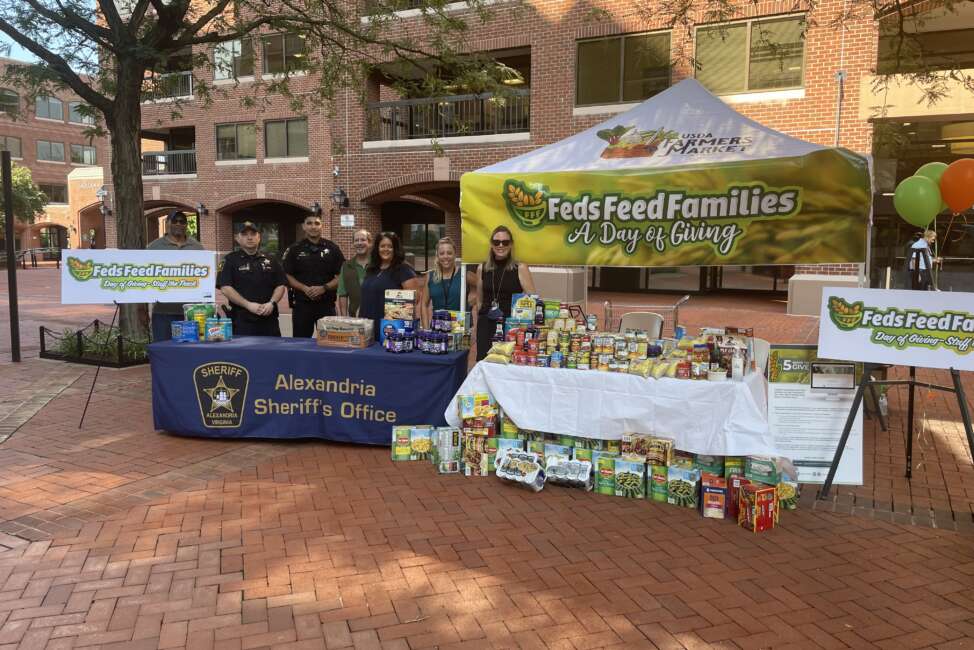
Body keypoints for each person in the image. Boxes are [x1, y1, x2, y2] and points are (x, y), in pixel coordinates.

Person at [474, 225, 536, 361]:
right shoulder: (482, 268)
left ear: (511, 245)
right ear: (491, 245)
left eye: (505, 242)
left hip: (510, 326)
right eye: (496, 242)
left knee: (507, 365)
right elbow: (479, 301)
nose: (500, 245)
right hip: (486, 325)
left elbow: (532, 303)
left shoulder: (520, 268)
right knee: (484, 362)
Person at [217, 221, 288, 336]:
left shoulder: (271, 259)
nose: (249, 238)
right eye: (244, 234)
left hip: (269, 320)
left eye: (253, 234)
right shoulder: (230, 260)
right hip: (242, 321)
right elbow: (225, 287)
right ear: (237, 238)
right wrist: (248, 305)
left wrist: (272, 303)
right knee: (244, 354)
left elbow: (280, 285)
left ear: (259, 237)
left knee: (273, 352)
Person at [282, 214, 345, 337]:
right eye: (309, 223)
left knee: (330, 341)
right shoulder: (294, 249)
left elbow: (342, 275)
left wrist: (324, 288)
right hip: (302, 305)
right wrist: (305, 289)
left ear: (322, 226)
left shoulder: (333, 248)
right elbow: (287, 275)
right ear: (303, 226)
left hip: (326, 304)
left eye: (317, 223)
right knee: (300, 343)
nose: (313, 226)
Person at [147, 210, 203, 341]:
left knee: (188, 350)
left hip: (191, 311)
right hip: (163, 311)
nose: (179, 224)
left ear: (186, 225)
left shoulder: (197, 247)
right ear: (167, 223)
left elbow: (205, 276)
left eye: (182, 221)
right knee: (163, 348)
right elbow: (146, 277)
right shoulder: (154, 247)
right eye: (175, 221)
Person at [358, 231, 423, 336]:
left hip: (390, 331)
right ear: (377, 248)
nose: (386, 249)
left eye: (390, 246)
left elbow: (415, 299)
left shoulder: (404, 270)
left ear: (395, 249)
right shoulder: (371, 269)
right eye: (382, 246)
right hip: (366, 330)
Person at [421, 237, 476, 327]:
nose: (445, 256)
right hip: (438, 330)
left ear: (455, 255)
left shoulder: (464, 274)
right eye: (442, 253)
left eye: (449, 253)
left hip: (461, 328)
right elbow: (424, 304)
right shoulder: (430, 276)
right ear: (437, 256)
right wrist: (426, 329)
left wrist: (474, 301)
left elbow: (484, 287)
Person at [337, 229, 372, 317]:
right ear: (353, 244)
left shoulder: (378, 264)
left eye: (363, 240)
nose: (359, 243)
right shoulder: (346, 266)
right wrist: (344, 318)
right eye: (356, 240)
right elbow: (342, 294)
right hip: (355, 317)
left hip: (378, 316)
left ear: (370, 243)